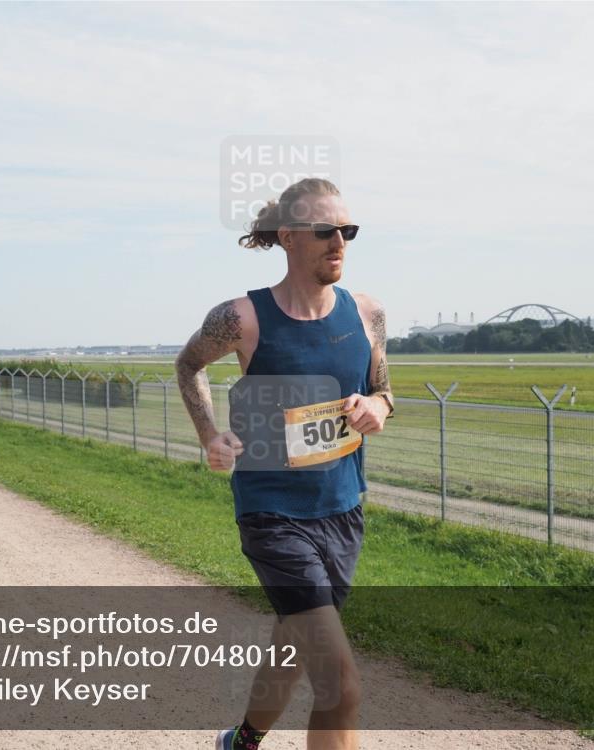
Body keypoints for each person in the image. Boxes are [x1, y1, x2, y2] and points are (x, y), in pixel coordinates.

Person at [176, 178, 393, 750]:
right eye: (326, 231)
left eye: (348, 230)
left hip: (343, 511)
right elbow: (188, 364)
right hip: (274, 518)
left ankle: (243, 740)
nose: (339, 242)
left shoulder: (367, 313)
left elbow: (384, 391)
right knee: (340, 688)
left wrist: (377, 405)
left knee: (295, 642)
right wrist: (209, 435)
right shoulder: (242, 318)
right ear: (290, 237)